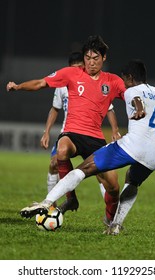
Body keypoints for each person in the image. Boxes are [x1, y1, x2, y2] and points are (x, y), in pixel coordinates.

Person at [19, 59, 155, 235]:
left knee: (85, 168)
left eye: (124, 79)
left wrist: (140, 109)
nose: (123, 84)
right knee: (132, 181)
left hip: (132, 146)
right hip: (154, 156)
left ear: (129, 77)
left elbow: (136, 99)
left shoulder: (132, 91)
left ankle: (46, 202)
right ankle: (116, 225)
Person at [7, 35, 126, 226]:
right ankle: (71, 199)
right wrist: (18, 86)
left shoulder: (112, 81)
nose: (90, 62)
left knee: (112, 185)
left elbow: (130, 95)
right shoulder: (72, 73)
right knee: (61, 151)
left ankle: (111, 221)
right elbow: (41, 83)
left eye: (95, 58)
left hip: (95, 138)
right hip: (72, 133)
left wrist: (140, 108)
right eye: (87, 58)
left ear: (104, 58)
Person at [42, 53, 121, 211]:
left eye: (80, 67)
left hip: (88, 135)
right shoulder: (62, 86)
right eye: (74, 68)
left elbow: (110, 109)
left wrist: (115, 129)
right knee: (54, 163)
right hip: (68, 134)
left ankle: (111, 211)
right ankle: (51, 205)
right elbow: (55, 109)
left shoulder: (93, 84)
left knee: (102, 174)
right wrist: (47, 131)